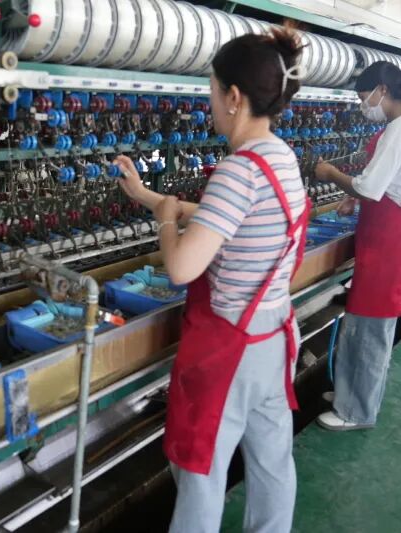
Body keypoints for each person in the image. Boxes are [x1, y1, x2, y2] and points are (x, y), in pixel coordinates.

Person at [115, 28, 308, 533]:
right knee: (271, 461)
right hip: (274, 334)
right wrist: (148, 197)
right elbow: (227, 219)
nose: (210, 104)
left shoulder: (237, 170)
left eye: (212, 91)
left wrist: (165, 223)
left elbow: (182, 268)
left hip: (231, 350)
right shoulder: (279, 157)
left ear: (234, 97)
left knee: (201, 468)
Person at [314, 62, 401, 431]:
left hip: (392, 242)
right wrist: (356, 196)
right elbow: (389, 184)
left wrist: (331, 175)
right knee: (360, 321)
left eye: (362, 97)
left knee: (371, 329)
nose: (362, 105)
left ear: (382, 90)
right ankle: (350, 393)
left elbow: (371, 187)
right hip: (388, 236)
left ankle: (357, 411)